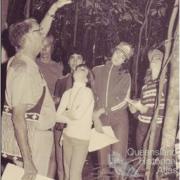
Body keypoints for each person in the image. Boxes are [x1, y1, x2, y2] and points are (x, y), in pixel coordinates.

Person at [1, 1, 72, 180]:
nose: (43, 34)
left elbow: (41, 29)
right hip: (32, 143)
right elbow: (18, 118)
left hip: (39, 139)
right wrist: (28, 160)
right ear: (27, 39)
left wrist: (55, 7)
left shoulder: (26, 61)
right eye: (38, 32)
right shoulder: (22, 70)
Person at [92, 41, 134, 180]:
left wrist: (105, 109)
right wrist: (94, 115)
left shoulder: (126, 76)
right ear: (113, 51)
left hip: (119, 120)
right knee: (102, 164)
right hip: (101, 120)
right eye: (117, 52)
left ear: (125, 61)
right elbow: (92, 95)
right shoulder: (97, 70)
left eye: (123, 56)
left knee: (118, 163)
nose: (118, 56)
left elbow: (124, 101)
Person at [56, 64, 95, 180]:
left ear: (87, 78)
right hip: (67, 136)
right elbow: (57, 117)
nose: (78, 70)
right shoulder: (67, 93)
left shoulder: (87, 92)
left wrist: (66, 112)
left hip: (81, 139)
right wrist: (70, 114)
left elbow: (77, 115)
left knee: (74, 175)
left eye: (83, 69)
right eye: (77, 68)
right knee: (66, 173)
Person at [53, 51, 85, 180]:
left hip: (78, 130)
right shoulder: (61, 81)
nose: (75, 61)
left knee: (75, 170)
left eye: (79, 58)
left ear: (83, 61)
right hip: (60, 128)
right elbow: (56, 106)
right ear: (68, 61)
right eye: (72, 57)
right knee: (61, 167)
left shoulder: (87, 82)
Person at [127, 49, 167, 151]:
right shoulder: (145, 86)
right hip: (141, 126)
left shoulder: (166, 84)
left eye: (158, 58)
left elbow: (167, 110)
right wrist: (134, 110)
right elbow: (140, 108)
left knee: (150, 156)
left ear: (163, 64)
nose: (154, 60)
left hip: (156, 127)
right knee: (141, 154)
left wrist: (145, 109)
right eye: (153, 58)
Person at [36, 34, 63, 178]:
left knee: (53, 152)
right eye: (42, 45)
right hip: (36, 113)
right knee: (37, 151)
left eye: (47, 46)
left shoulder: (58, 67)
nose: (44, 49)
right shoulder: (33, 64)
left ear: (52, 47)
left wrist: (58, 99)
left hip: (54, 113)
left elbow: (63, 91)